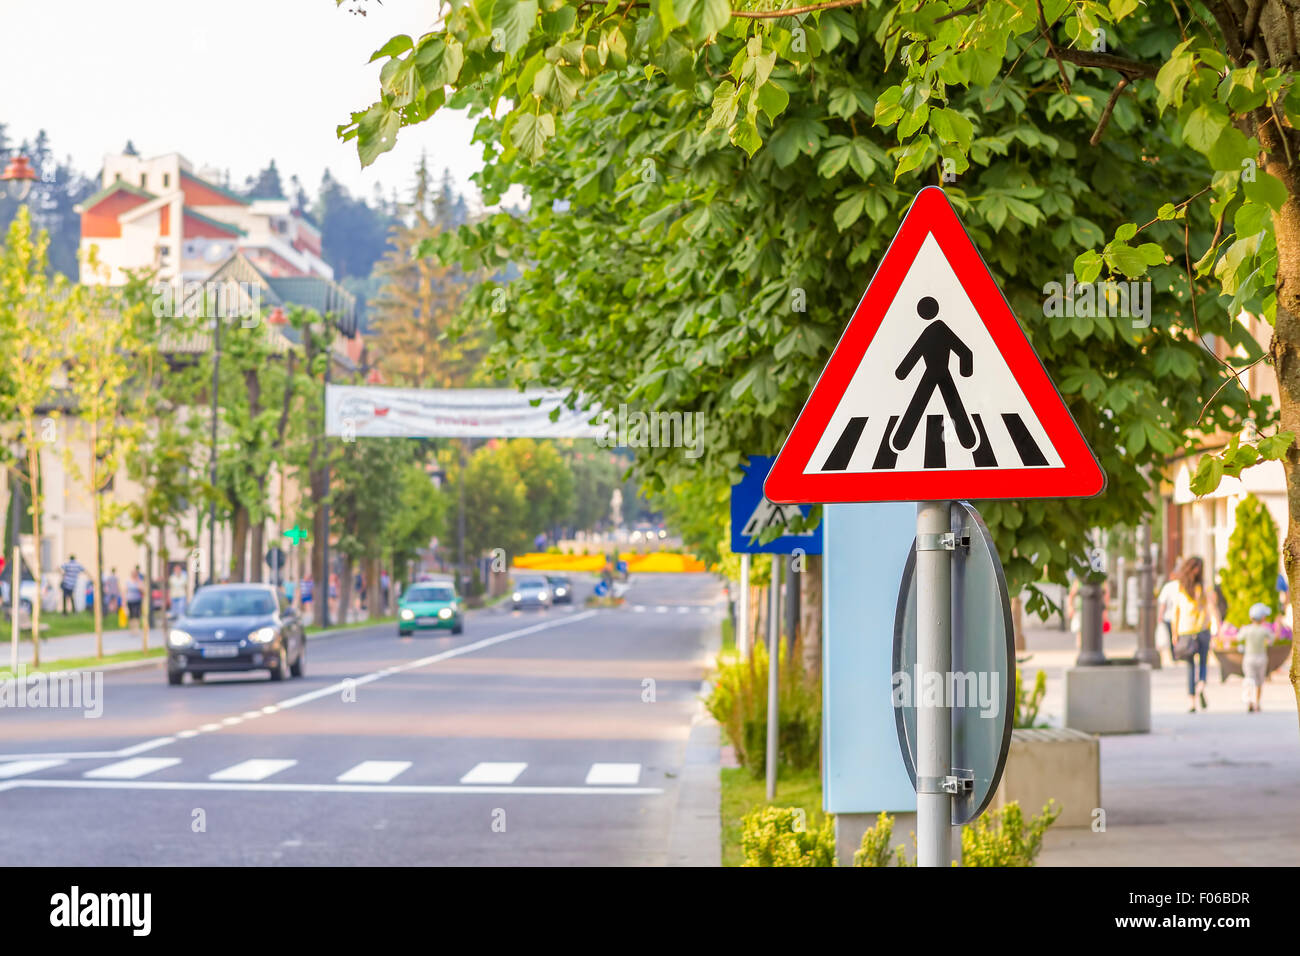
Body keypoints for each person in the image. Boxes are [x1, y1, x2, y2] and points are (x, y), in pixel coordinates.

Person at [1169, 555, 1218, 713]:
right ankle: (1199, 687)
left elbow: (1175, 612)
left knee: (1195, 664)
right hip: (1195, 630)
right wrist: (1174, 632)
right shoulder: (1193, 587)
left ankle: (1193, 699)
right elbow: (1210, 606)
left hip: (1192, 630)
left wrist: (1174, 632)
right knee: (1198, 664)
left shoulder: (1183, 587)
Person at [1238, 602, 1272, 713]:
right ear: (1263, 618)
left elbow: (1238, 638)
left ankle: (1250, 702)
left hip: (1249, 658)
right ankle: (1257, 703)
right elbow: (1272, 639)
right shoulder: (1264, 630)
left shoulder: (1247, 629)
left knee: (1249, 680)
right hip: (1261, 658)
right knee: (1259, 682)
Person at [1155, 570, 1181, 653]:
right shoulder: (1181, 585)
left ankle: (1174, 653)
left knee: (1172, 636)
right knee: (1179, 635)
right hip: (1181, 616)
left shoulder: (1168, 586)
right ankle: (1179, 651)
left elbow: (1163, 603)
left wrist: (1160, 615)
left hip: (1169, 616)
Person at [125, 567, 144, 633]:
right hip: (130, 600)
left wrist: (138, 581)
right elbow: (125, 591)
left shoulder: (139, 581)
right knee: (131, 614)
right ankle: (132, 627)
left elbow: (142, 590)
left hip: (137, 600)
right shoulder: (128, 581)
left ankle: (136, 628)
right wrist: (124, 601)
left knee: (137, 614)